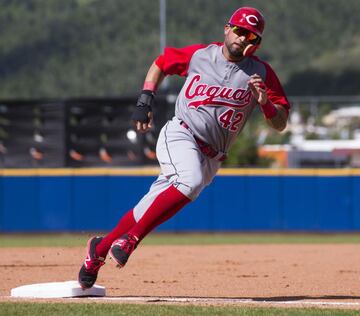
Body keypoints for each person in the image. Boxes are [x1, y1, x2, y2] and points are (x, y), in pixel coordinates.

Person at [78, 6, 290, 289]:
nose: (243, 39)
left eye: (252, 37)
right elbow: (162, 63)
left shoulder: (262, 73)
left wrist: (264, 102)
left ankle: (99, 249)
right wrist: (145, 100)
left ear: (257, 44)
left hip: (213, 156)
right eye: (240, 31)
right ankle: (131, 240)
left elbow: (280, 123)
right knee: (189, 181)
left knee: (149, 206)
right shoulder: (201, 55)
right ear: (227, 29)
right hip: (181, 134)